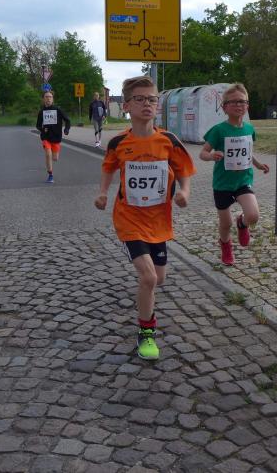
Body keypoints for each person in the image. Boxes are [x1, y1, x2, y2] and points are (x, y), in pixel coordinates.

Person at [94, 75, 195, 360]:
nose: (147, 104)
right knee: (149, 277)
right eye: (140, 99)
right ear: (126, 105)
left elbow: (184, 170)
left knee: (158, 279)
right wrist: (102, 193)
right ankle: (146, 333)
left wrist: (184, 192)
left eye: (152, 99)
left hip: (158, 222)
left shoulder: (169, 141)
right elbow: (108, 167)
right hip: (128, 219)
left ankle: (144, 296)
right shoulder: (118, 142)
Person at [200, 83, 270, 266]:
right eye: (233, 102)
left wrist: (258, 164)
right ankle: (225, 245)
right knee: (225, 224)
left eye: (242, 101)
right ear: (224, 107)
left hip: (243, 181)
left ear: (247, 106)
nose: (238, 105)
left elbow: (248, 151)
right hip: (222, 184)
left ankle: (242, 223)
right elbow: (202, 153)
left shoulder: (249, 129)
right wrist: (212, 156)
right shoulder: (218, 130)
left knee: (253, 215)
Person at [35, 91, 71, 183]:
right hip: (46, 137)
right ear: (43, 99)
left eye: (50, 97)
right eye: (46, 97)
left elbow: (67, 120)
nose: (48, 98)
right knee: (48, 154)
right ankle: (50, 175)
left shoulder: (58, 110)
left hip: (56, 137)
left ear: (52, 99)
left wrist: (66, 129)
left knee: (55, 158)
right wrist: (43, 129)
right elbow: (38, 125)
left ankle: (51, 162)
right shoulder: (41, 112)